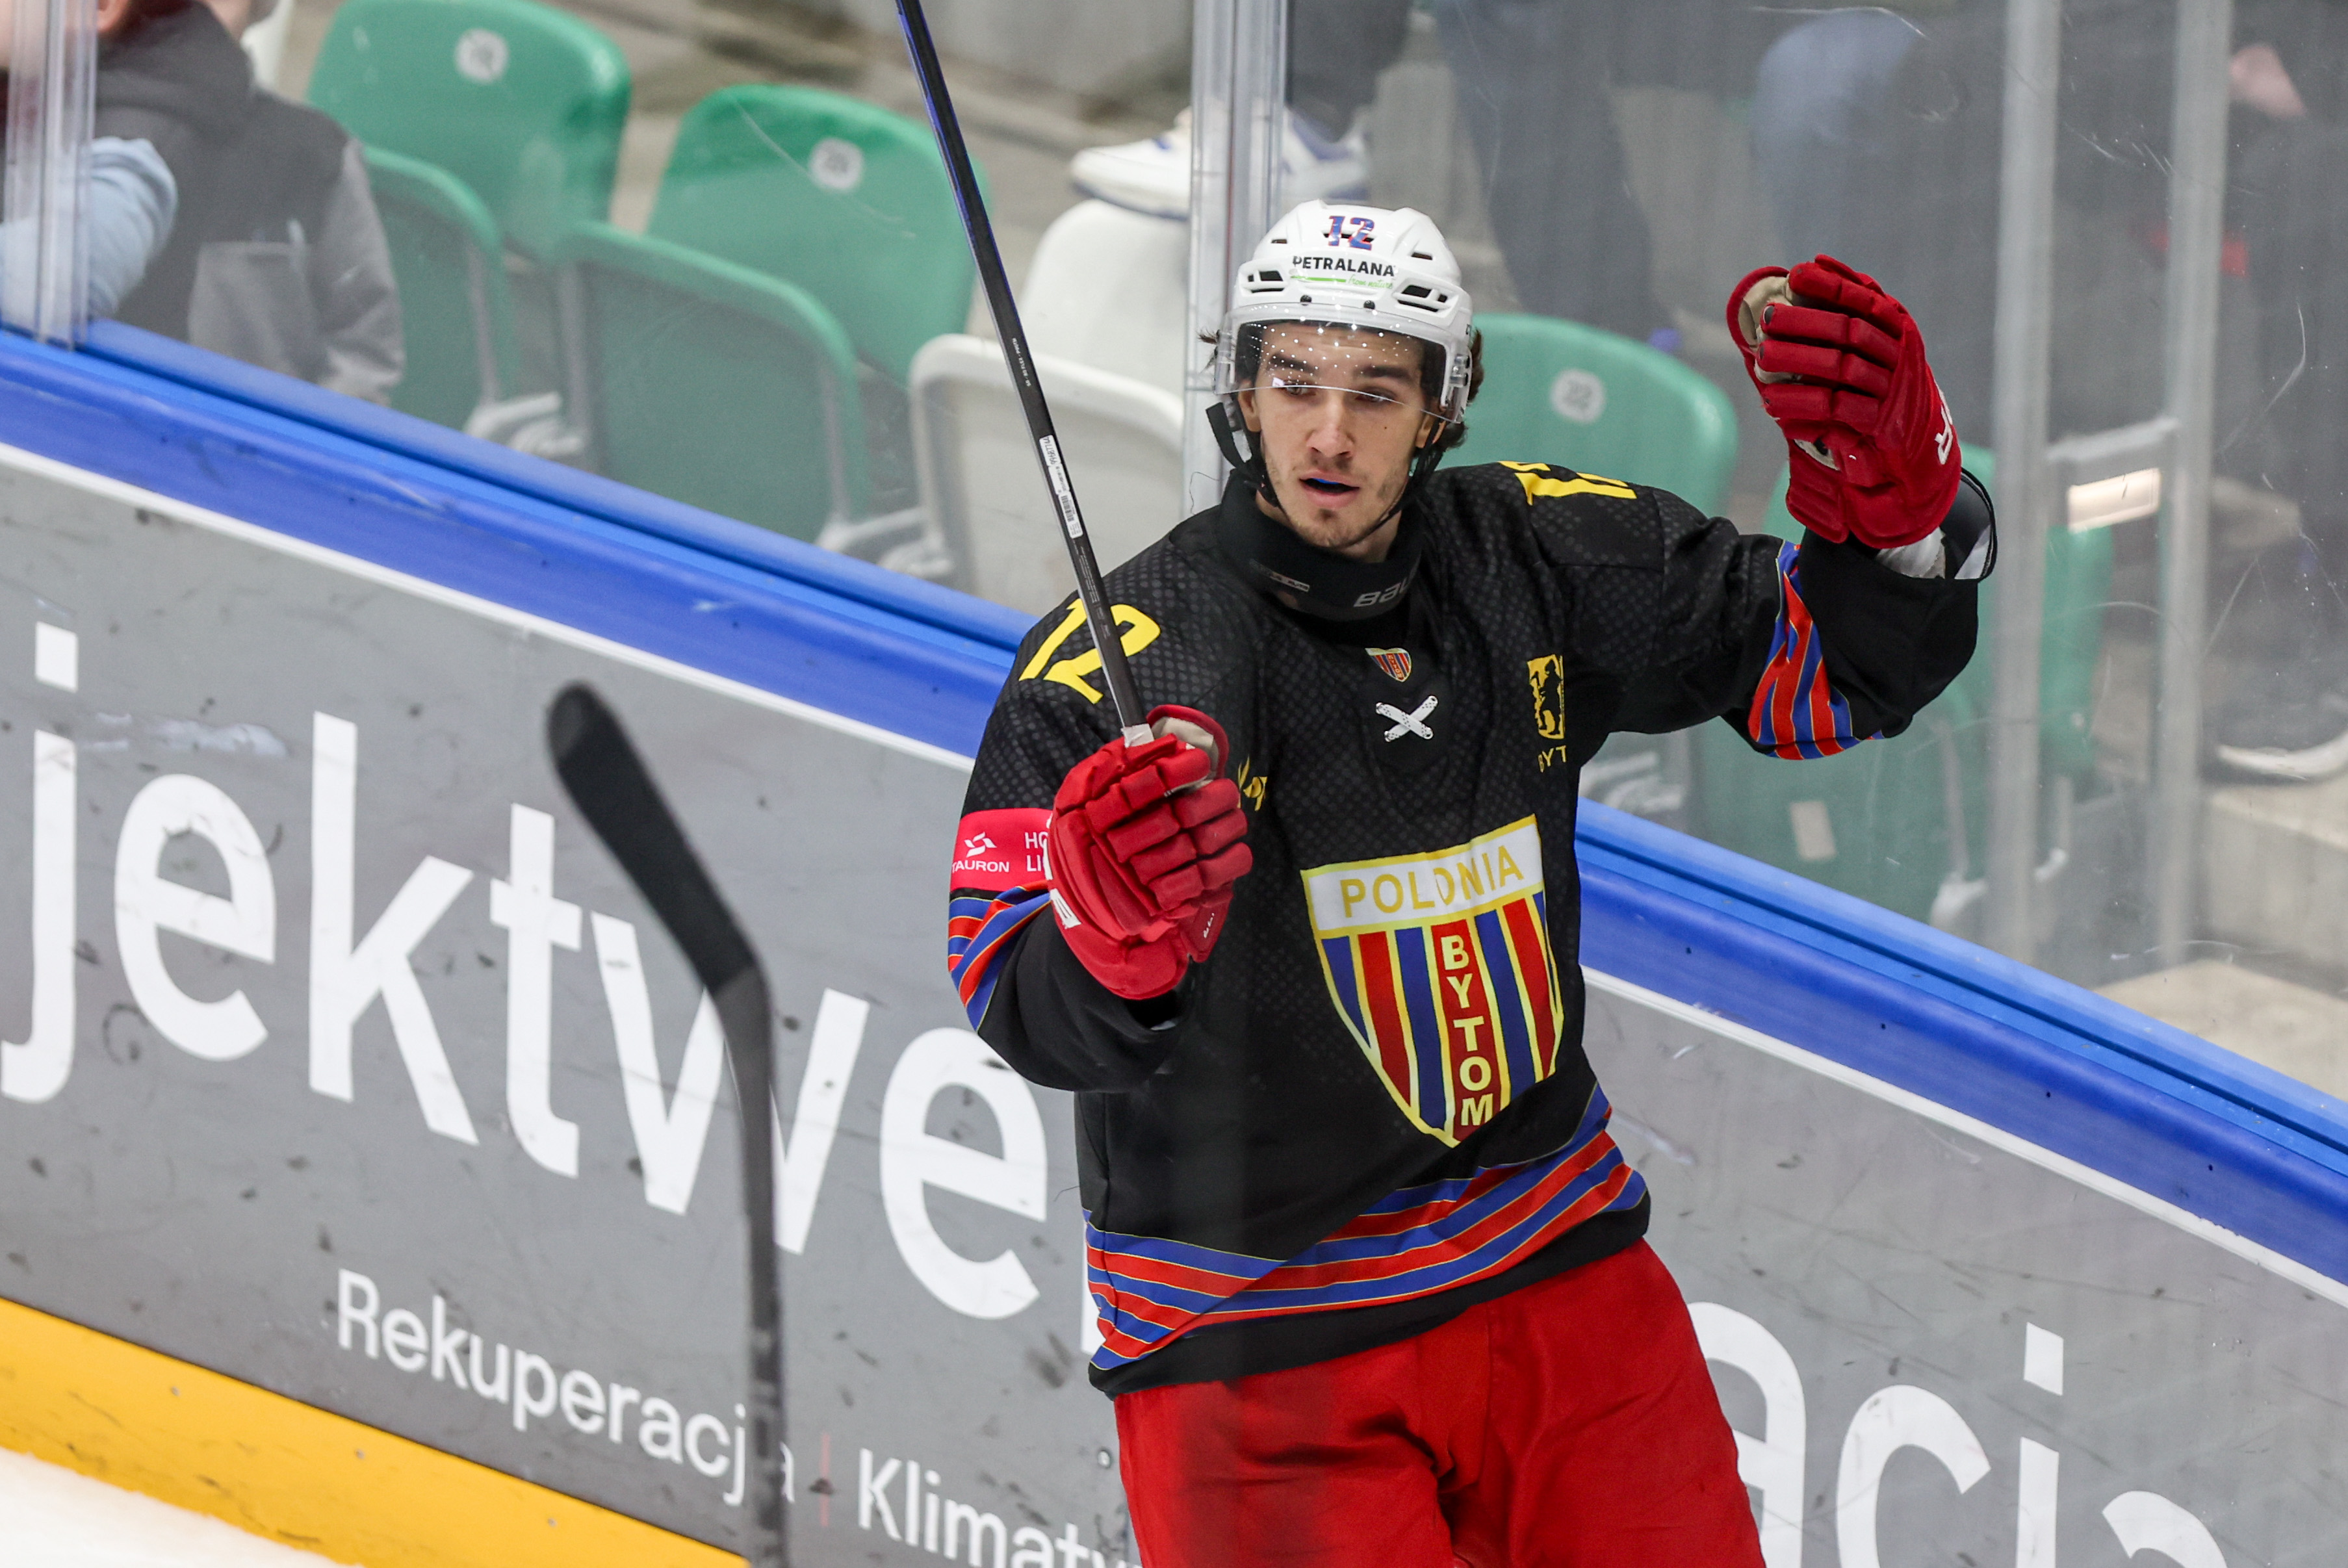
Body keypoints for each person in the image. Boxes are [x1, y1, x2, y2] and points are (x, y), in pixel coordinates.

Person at [946, 199, 1992, 1564]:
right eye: (1293, 383)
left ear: (1445, 404)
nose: (1328, 434)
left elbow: (1824, 678)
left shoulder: (1531, 549)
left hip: (1552, 1251)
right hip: (1252, 1321)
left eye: (1375, 393)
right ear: (1240, 393)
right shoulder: (1132, 660)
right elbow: (1009, 986)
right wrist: (1106, 946)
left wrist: (1909, 521)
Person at [94, 0, 402, 402]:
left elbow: (364, 354)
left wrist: (292, 432)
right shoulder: (62, 120)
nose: (196, 13)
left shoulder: (315, 155)